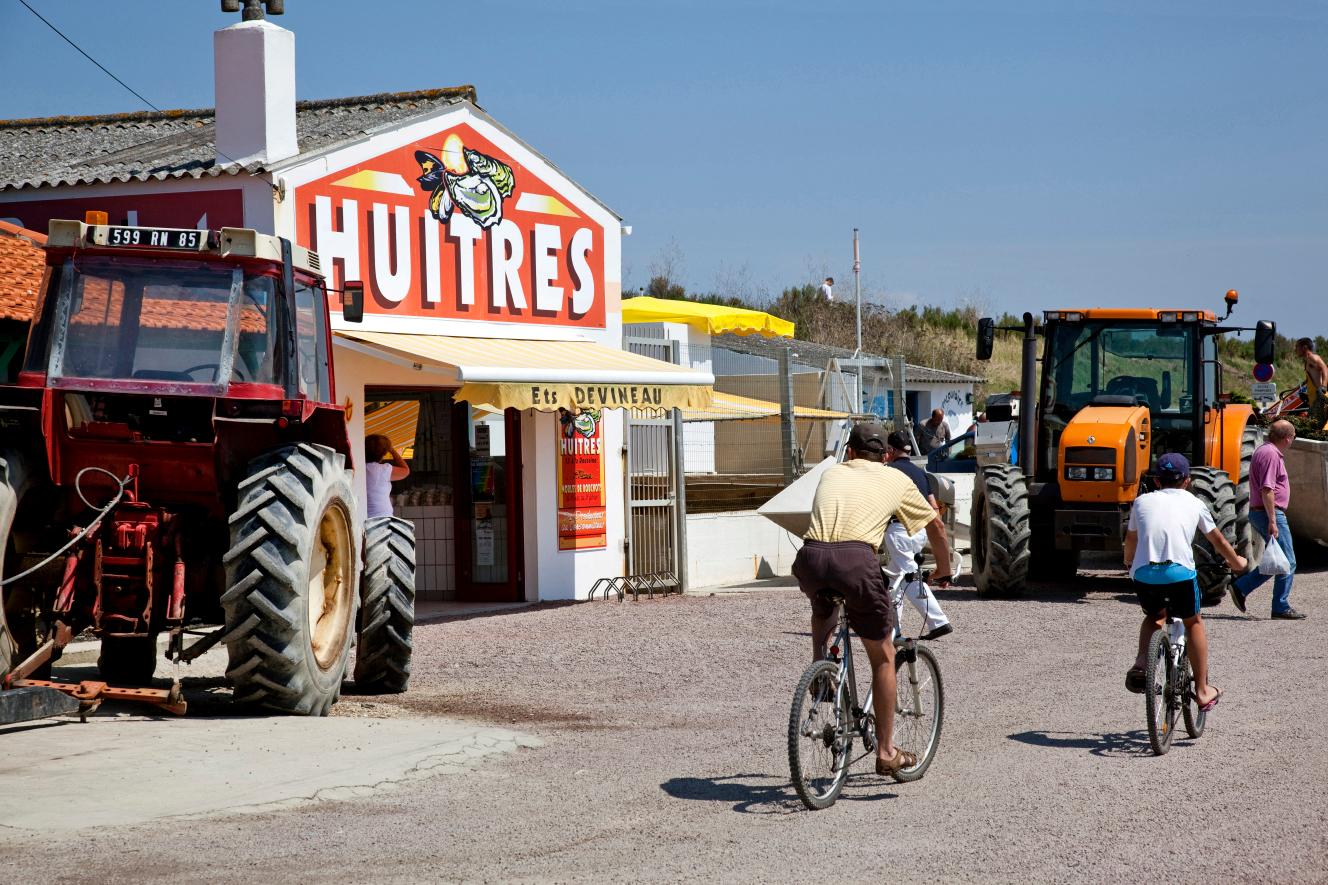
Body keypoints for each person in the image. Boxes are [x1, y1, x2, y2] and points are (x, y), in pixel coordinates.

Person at [793, 421, 954, 776]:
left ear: (849, 451)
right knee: (882, 656)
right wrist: (943, 570)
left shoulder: (832, 473)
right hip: (856, 561)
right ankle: (886, 751)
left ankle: (822, 673)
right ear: (885, 455)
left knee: (824, 610)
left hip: (811, 558)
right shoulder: (895, 478)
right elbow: (936, 527)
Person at [1123, 453, 1247, 710]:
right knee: (1194, 622)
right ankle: (1202, 691)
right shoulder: (1194, 503)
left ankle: (1141, 663)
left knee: (1153, 617)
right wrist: (1237, 563)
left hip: (1144, 574)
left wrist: (1128, 562)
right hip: (1179, 574)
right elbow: (1218, 541)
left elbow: (1131, 540)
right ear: (1187, 481)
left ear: (1157, 481)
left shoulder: (1140, 502)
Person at [1229, 419, 1305, 619]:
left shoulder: (1264, 450)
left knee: (1277, 560)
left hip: (1261, 512)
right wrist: (1272, 519)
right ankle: (1280, 607)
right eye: (1293, 437)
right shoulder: (1271, 455)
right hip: (1269, 513)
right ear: (1287, 438)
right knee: (1287, 561)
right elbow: (1268, 489)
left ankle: (1241, 588)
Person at [883, 431, 954, 640]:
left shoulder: (889, 472)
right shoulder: (920, 473)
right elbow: (933, 506)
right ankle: (893, 628)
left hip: (898, 530)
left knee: (909, 576)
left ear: (891, 451)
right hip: (920, 531)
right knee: (894, 581)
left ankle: (938, 621)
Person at [364, 434, 410, 519]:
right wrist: (392, 451)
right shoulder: (383, 470)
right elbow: (405, 470)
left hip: (363, 519)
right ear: (383, 453)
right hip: (383, 519)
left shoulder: (359, 468)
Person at [1295, 338, 1328, 428]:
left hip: (1321, 399)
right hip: (1314, 400)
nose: (1295, 349)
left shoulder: (1313, 357)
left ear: (1304, 347)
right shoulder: (1307, 361)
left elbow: (1325, 368)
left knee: (1320, 428)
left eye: (1297, 347)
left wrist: (1324, 386)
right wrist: (1299, 389)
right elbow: (1310, 379)